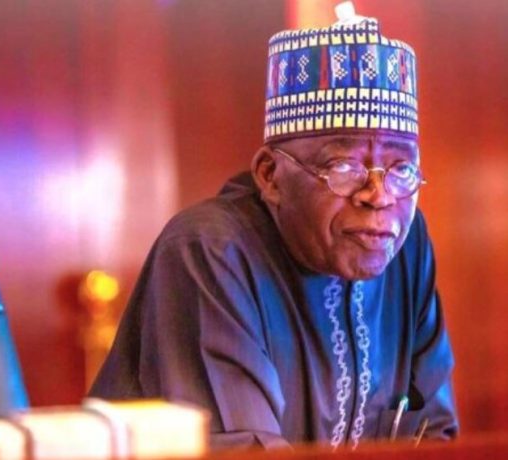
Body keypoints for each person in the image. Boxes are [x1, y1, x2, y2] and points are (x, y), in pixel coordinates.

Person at [89, 4, 459, 450]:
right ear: (270, 175)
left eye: (401, 170)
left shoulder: (407, 244)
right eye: (343, 166)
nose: (379, 196)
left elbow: (433, 437)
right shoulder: (210, 251)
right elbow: (245, 452)